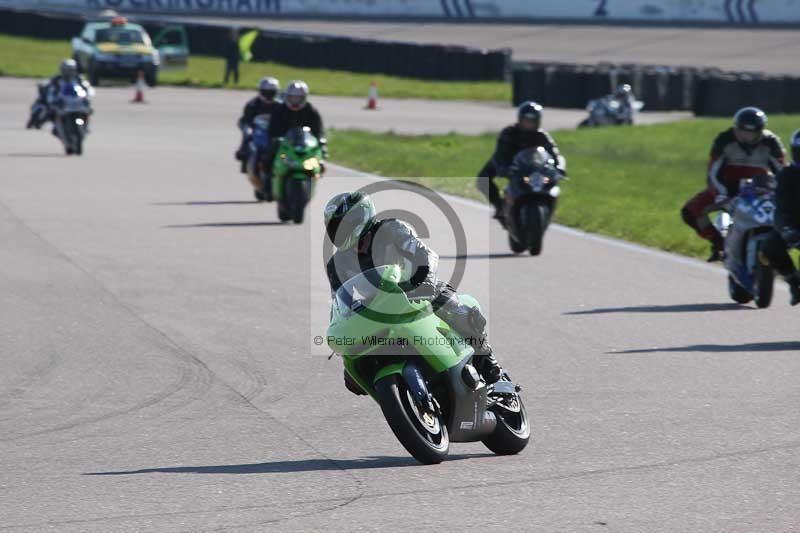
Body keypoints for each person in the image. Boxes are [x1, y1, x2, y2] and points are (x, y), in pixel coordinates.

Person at [323, 192, 504, 395]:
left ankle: (490, 365)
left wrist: (424, 282)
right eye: (334, 227)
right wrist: (342, 333)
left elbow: (425, 255)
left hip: (417, 290)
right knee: (353, 377)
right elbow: (339, 304)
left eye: (343, 225)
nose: (339, 232)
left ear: (361, 217)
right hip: (377, 313)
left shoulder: (391, 229)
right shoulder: (336, 265)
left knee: (460, 313)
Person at [681, 107, 786, 262]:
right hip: (727, 187)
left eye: (752, 133)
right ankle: (718, 243)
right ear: (736, 129)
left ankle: (774, 247)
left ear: (760, 131)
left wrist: (780, 195)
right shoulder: (724, 140)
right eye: (743, 131)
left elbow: (782, 173)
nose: (747, 137)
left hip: (759, 188)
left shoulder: (771, 142)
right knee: (690, 212)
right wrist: (721, 196)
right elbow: (713, 173)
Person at [477, 101, 564, 223]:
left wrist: (559, 168)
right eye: (526, 120)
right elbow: (500, 154)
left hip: (532, 167)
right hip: (508, 164)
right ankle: (500, 206)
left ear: (538, 121)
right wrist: (502, 167)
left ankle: (547, 208)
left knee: (550, 184)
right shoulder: (508, 133)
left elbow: (554, 153)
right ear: (520, 119)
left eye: (532, 121)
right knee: (483, 178)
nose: (529, 124)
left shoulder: (542, 136)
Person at [262, 81, 326, 199]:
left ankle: (313, 179)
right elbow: (272, 129)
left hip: (305, 145)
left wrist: (320, 141)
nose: (295, 101)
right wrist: (276, 139)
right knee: (268, 158)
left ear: (304, 98)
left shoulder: (311, 110)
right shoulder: (279, 110)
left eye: (298, 98)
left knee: (321, 158)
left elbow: (319, 131)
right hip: (284, 145)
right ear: (287, 97)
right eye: (292, 97)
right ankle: (267, 185)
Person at [760, 129, 800, 305]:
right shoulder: (786, 175)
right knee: (769, 246)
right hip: (794, 225)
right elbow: (781, 209)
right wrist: (787, 230)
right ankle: (793, 281)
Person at [27, 59, 91, 130]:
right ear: (63, 69)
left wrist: (87, 96)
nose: (69, 72)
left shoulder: (79, 78)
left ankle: (84, 126)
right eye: (68, 70)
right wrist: (51, 98)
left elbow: (87, 87)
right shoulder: (57, 79)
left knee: (86, 110)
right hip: (60, 99)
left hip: (74, 99)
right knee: (50, 109)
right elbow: (49, 88)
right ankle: (40, 122)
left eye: (71, 70)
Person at [235, 76, 280, 174]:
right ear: (260, 92)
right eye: (266, 92)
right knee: (248, 131)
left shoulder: (280, 105)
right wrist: (249, 127)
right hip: (256, 128)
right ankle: (244, 152)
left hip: (273, 129)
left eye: (271, 93)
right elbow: (247, 120)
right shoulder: (253, 104)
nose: (268, 96)